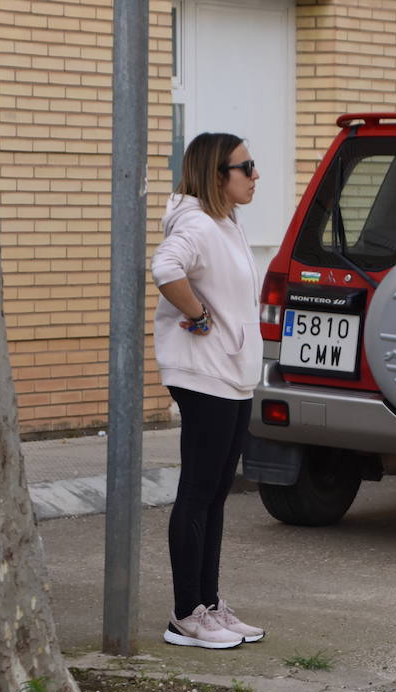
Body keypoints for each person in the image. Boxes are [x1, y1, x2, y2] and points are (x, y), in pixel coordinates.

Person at [151, 132, 267, 650]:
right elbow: (164, 269)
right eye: (246, 167)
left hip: (233, 375)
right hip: (204, 375)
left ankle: (210, 605)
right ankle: (184, 614)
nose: (255, 175)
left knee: (217, 494)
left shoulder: (224, 222)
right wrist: (196, 314)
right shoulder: (196, 223)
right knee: (198, 492)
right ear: (217, 174)